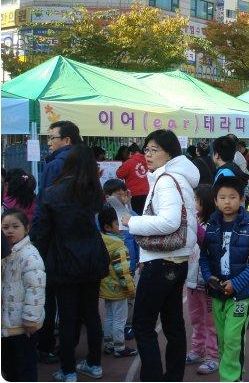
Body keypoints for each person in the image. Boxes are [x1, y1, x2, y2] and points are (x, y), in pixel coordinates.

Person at [123, 129, 199, 381]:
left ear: (170, 153)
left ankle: (152, 377)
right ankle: (173, 375)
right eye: (146, 149)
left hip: (161, 261)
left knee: (144, 325)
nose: (148, 154)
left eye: (154, 150)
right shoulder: (179, 176)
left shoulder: (167, 179)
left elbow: (169, 221)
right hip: (176, 261)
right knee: (173, 323)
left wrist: (131, 222)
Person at [34, 144, 110, 381]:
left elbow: (41, 232)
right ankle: (94, 363)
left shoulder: (53, 192)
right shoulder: (94, 192)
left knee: (67, 316)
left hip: (63, 260)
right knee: (91, 314)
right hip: (92, 259)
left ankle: (67, 370)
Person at [199, 176, 249, 382]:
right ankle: (231, 370)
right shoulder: (212, 226)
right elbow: (204, 257)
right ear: (215, 201)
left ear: (241, 200)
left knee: (233, 337)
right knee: (222, 339)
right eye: (222, 197)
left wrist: (236, 283)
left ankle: (231, 378)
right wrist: (209, 276)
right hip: (217, 292)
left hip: (240, 293)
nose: (227, 202)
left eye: (232, 197)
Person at [30, 120, 82, 365]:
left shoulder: (56, 165)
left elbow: (44, 205)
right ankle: (69, 347)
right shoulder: (85, 162)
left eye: (52, 137)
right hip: (78, 239)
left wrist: (39, 237)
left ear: (66, 140)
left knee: (49, 293)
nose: (49, 142)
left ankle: (46, 344)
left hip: (54, 239)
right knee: (74, 297)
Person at [1, 208, 46, 382]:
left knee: (25, 368)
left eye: (15, 226)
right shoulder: (5, 254)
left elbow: (35, 289)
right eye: (5, 227)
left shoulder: (29, 255)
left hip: (23, 325)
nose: (9, 231)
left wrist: (31, 320)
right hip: (6, 326)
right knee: (9, 368)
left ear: (26, 229)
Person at [185, 184, 219, 375]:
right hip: (191, 280)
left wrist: (193, 225)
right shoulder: (194, 220)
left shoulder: (213, 225)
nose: (192, 203)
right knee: (196, 318)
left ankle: (212, 356)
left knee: (210, 321)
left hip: (207, 283)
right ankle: (197, 349)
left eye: (195, 200)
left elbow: (205, 242)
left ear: (204, 202)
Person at [97, 205, 137, 358]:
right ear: (108, 226)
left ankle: (109, 343)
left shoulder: (101, 240)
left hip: (106, 286)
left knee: (108, 316)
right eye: (117, 224)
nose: (121, 227)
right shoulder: (119, 245)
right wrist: (131, 289)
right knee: (120, 319)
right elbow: (124, 271)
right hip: (119, 288)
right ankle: (119, 347)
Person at [116, 143, 150, 216]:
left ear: (130, 153)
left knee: (135, 215)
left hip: (134, 193)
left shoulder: (129, 162)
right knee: (145, 215)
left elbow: (119, 174)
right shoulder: (148, 161)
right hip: (147, 192)